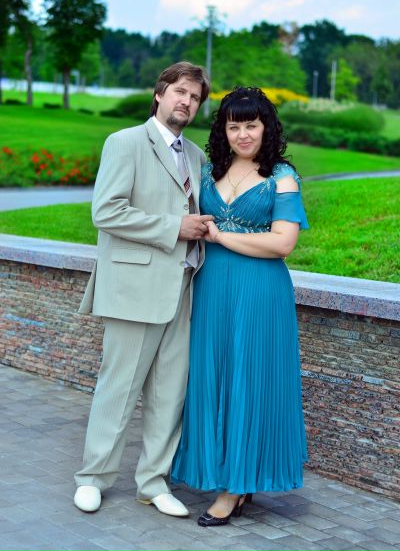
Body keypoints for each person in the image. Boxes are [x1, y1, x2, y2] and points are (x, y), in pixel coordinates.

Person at [74, 62, 213, 517]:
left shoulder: (195, 156)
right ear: (160, 93)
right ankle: (92, 478)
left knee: (169, 395)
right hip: (135, 289)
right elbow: (107, 211)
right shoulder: (126, 142)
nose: (186, 102)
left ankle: (153, 483)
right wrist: (175, 227)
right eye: (180, 92)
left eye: (195, 97)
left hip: (183, 289)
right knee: (118, 389)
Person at [171, 86, 309, 526]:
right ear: (224, 130)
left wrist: (222, 236)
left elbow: (283, 243)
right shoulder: (208, 170)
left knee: (249, 379)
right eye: (235, 126)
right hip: (212, 288)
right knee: (213, 377)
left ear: (266, 128)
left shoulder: (281, 175)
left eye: (252, 125)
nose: (243, 134)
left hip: (260, 291)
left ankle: (235, 487)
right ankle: (224, 471)